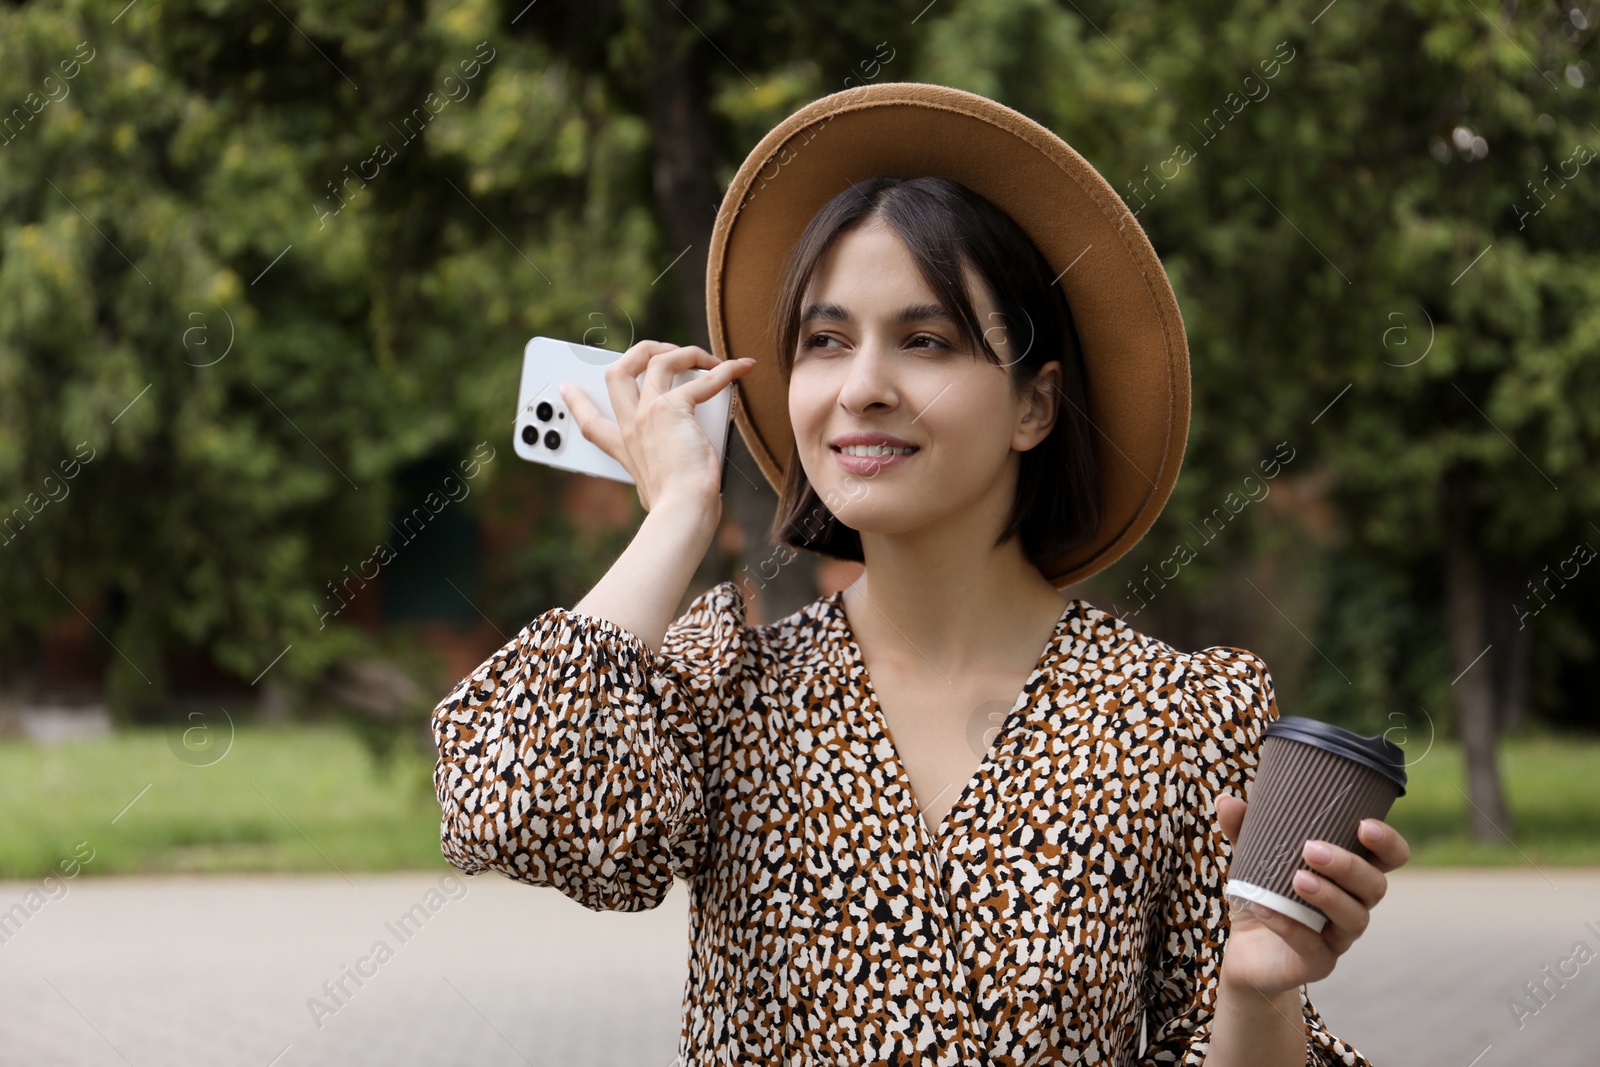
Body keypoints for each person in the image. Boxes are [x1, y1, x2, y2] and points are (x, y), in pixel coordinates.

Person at [431, 83, 1410, 1066]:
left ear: (1034, 404)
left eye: (925, 339)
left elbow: (1222, 1036)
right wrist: (680, 508)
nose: (860, 387)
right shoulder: (726, 684)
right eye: (824, 340)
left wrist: (1255, 992)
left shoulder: (1179, 715)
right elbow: (502, 802)